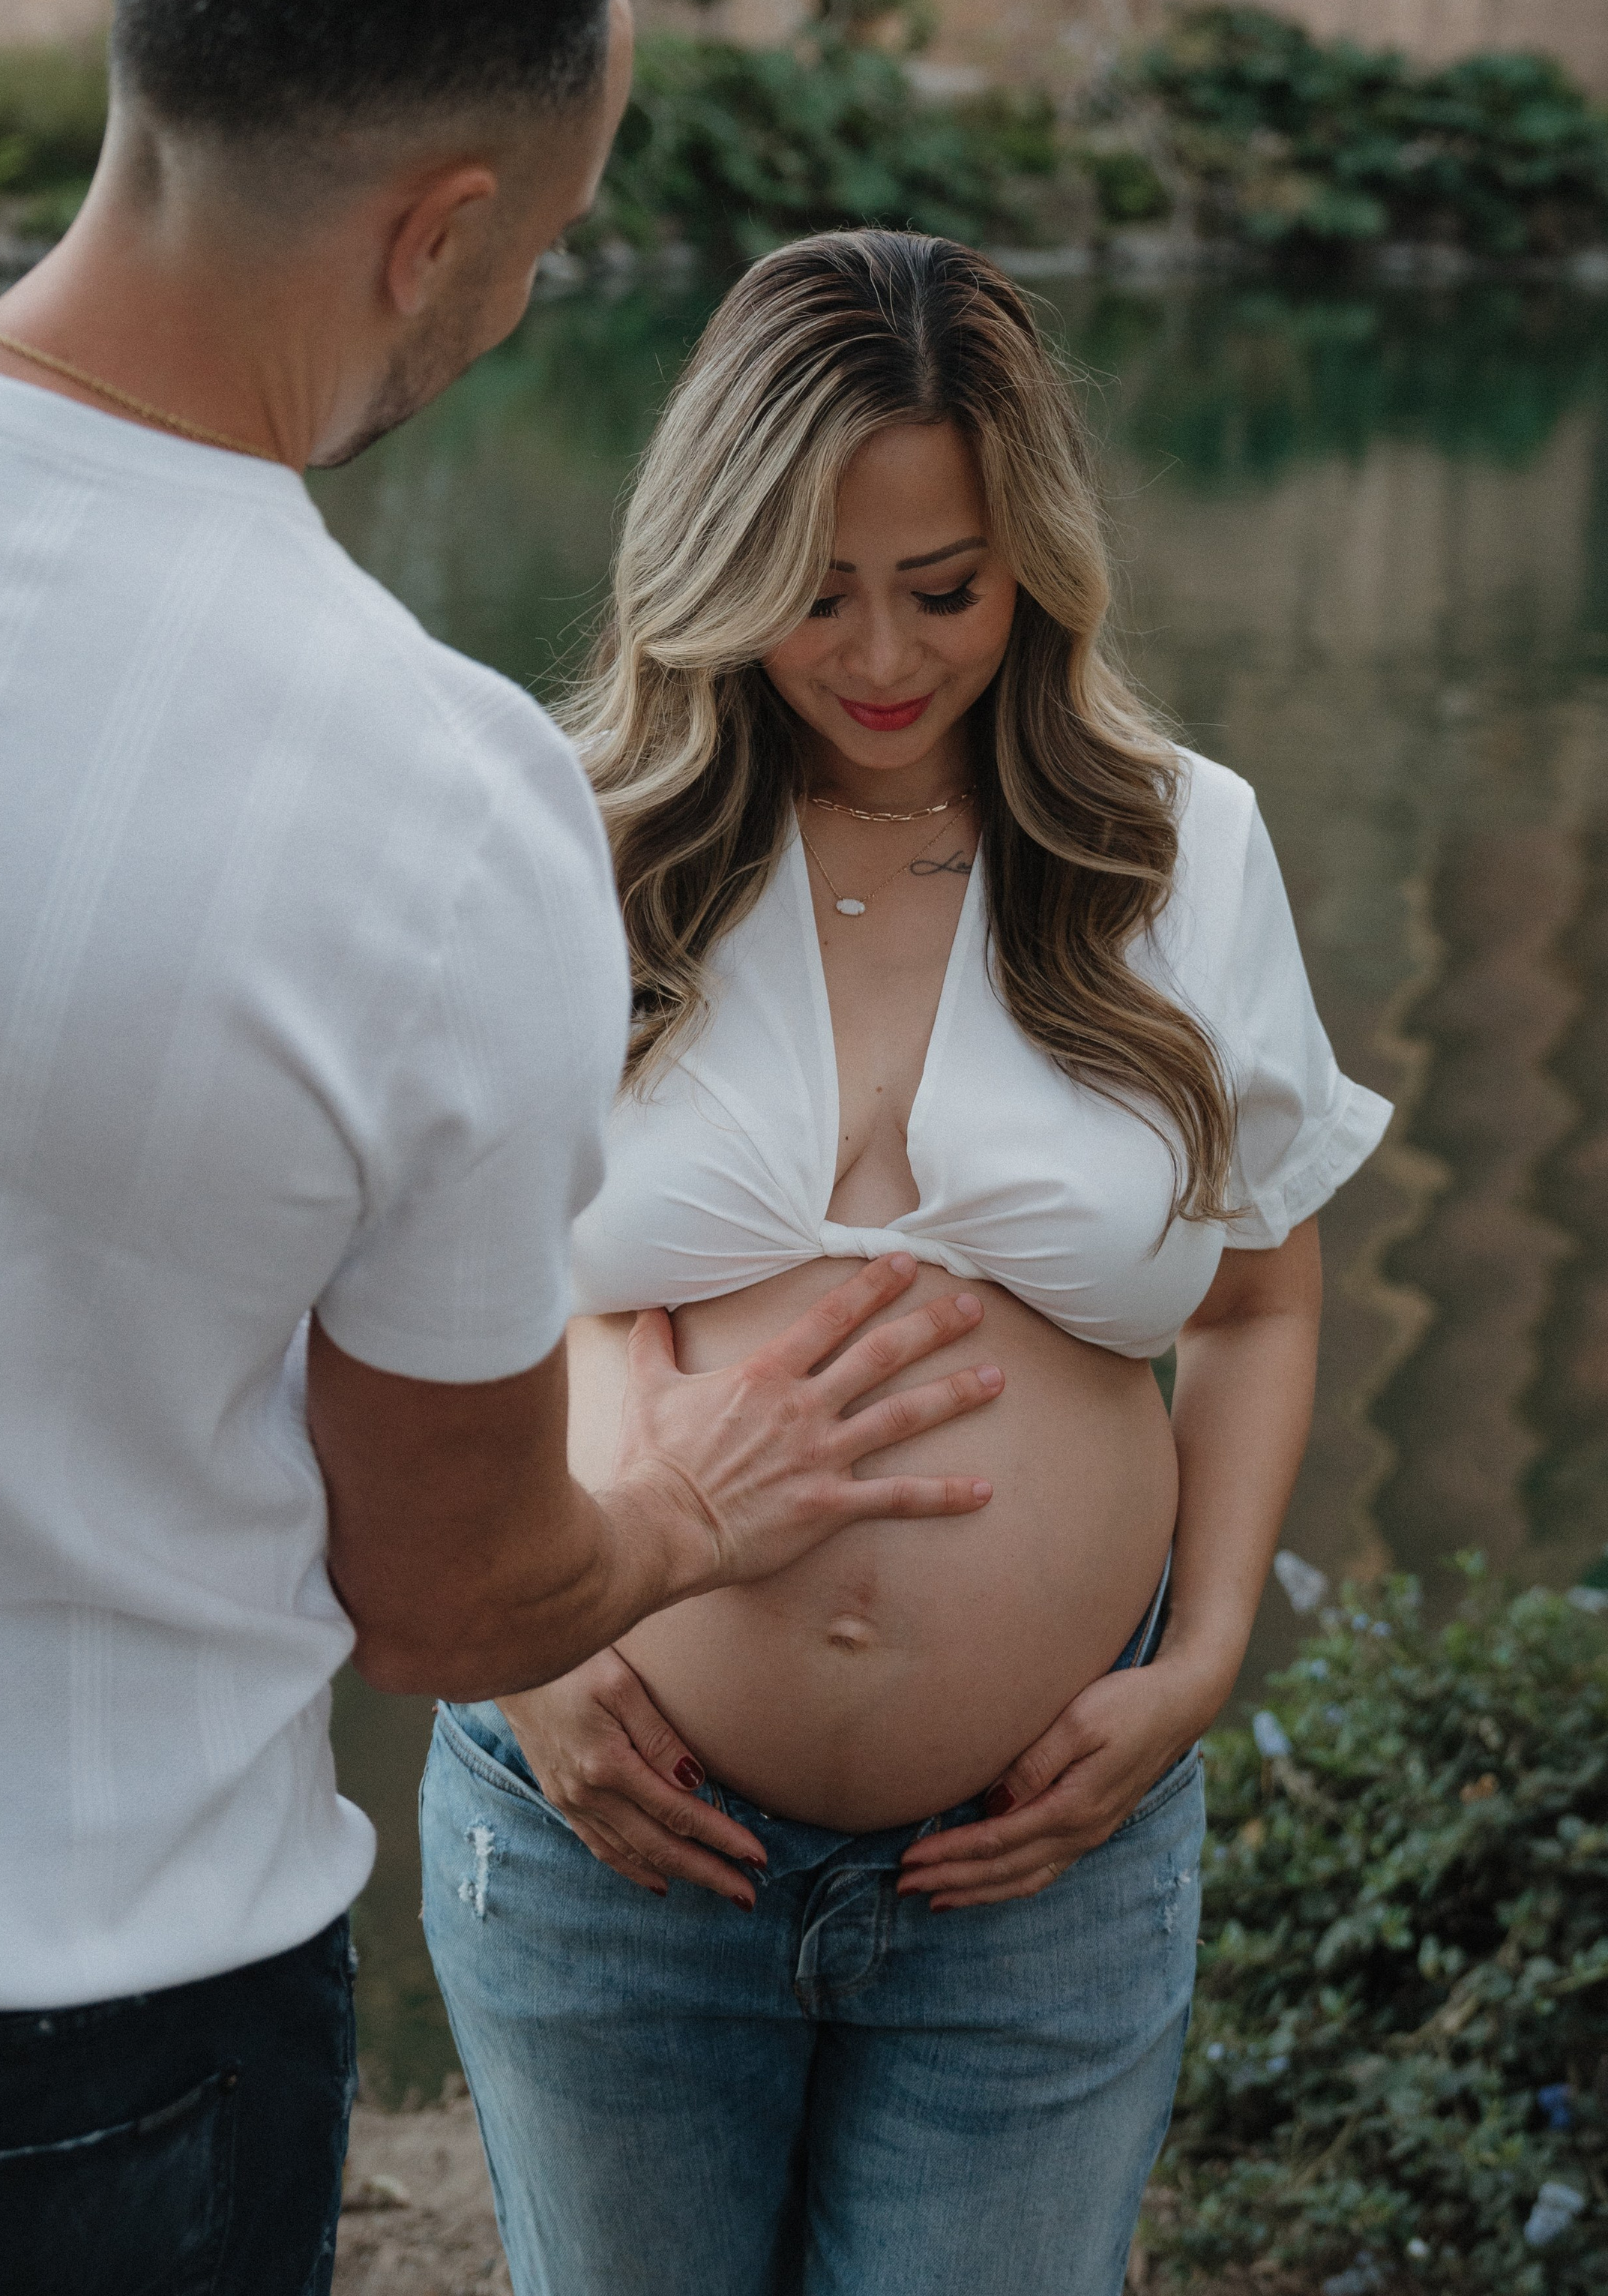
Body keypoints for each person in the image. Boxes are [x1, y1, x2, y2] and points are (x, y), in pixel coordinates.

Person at [0, 0, 1002, 2296]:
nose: (519, 305)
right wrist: (692, 1512)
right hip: (81, 2069)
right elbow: (450, 1592)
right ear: (437, 235)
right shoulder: (438, 808)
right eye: (539, 246)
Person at [421, 230, 1394, 2296]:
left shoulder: (1174, 849)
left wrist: (1198, 1661)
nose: (878, 649)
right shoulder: (560, 838)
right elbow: (399, 1293)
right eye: (812, 585)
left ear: (1029, 556)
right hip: (611, 1834)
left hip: (1034, 1875)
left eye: (941, 584)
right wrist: (519, 1647)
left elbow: (1259, 1296)